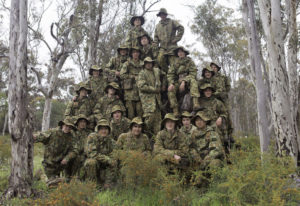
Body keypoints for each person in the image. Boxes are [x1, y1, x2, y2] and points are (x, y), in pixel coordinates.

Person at [190, 111, 224, 187]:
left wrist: (205, 162)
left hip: (210, 160)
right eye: (197, 120)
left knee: (215, 164)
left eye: (201, 120)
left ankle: (216, 186)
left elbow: (216, 150)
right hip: (198, 161)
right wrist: (196, 157)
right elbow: (190, 147)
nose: (199, 122)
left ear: (205, 121)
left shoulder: (211, 132)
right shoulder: (193, 134)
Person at [167, 46, 200, 115]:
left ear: (185, 53)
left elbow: (193, 73)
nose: (180, 53)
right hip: (178, 82)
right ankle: (175, 110)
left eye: (182, 52)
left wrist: (184, 81)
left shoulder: (190, 62)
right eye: (179, 52)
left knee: (193, 81)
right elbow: (170, 74)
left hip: (188, 80)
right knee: (170, 90)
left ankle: (195, 103)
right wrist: (171, 83)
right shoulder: (175, 63)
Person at [83, 119, 116, 187]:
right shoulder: (92, 137)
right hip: (95, 162)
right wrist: (107, 159)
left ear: (109, 130)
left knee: (114, 162)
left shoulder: (111, 141)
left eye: (106, 129)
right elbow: (92, 154)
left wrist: (110, 160)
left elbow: (114, 154)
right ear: (98, 130)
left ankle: (107, 184)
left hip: (105, 165)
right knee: (90, 163)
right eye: (101, 129)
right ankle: (91, 185)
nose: (104, 131)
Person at [210, 62, 234, 149]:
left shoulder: (223, 77)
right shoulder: (210, 78)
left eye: (215, 67)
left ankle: (230, 136)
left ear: (217, 68)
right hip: (214, 99)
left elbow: (228, 87)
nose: (213, 68)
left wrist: (223, 93)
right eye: (212, 67)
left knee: (227, 116)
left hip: (223, 99)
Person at [153, 8, 184, 74]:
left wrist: (176, 39)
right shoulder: (158, 26)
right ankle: (168, 73)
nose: (162, 16)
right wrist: (155, 44)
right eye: (161, 14)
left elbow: (181, 28)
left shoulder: (172, 22)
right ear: (159, 15)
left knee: (174, 63)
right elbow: (156, 37)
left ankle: (173, 76)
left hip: (172, 47)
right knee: (159, 60)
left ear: (166, 15)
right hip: (162, 47)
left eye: (163, 14)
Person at [137, 57, 162, 137]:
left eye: (150, 63)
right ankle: (145, 140)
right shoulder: (142, 73)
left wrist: (163, 84)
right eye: (147, 63)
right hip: (148, 103)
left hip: (157, 101)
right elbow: (141, 86)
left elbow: (165, 75)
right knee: (148, 121)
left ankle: (156, 142)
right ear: (144, 64)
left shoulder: (156, 71)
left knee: (158, 122)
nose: (148, 64)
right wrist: (154, 89)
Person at [120, 47, 144, 119]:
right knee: (131, 115)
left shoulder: (143, 64)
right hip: (129, 93)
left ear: (139, 53)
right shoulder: (127, 64)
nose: (135, 54)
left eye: (137, 52)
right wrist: (132, 76)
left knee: (140, 113)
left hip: (140, 93)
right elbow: (122, 75)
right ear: (131, 54)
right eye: (134, 52)